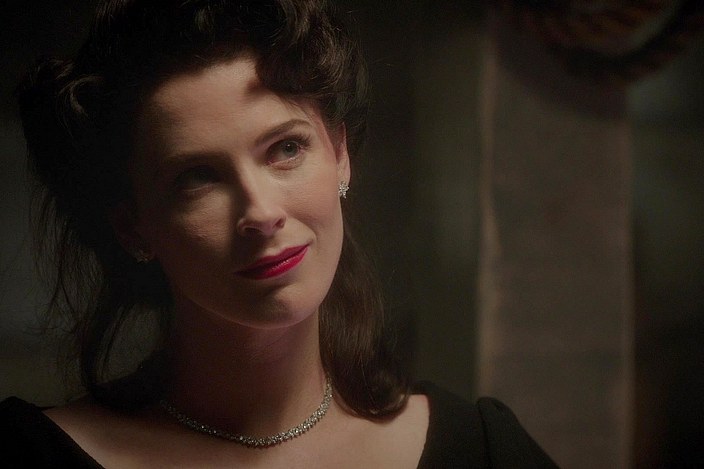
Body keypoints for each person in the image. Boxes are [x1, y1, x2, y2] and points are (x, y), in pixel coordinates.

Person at [0, 0, 558, 467]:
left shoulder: (480, 449)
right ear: (132, 226)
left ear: (340, 154)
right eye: (198, 177)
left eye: (286, 148)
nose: (261, 213)